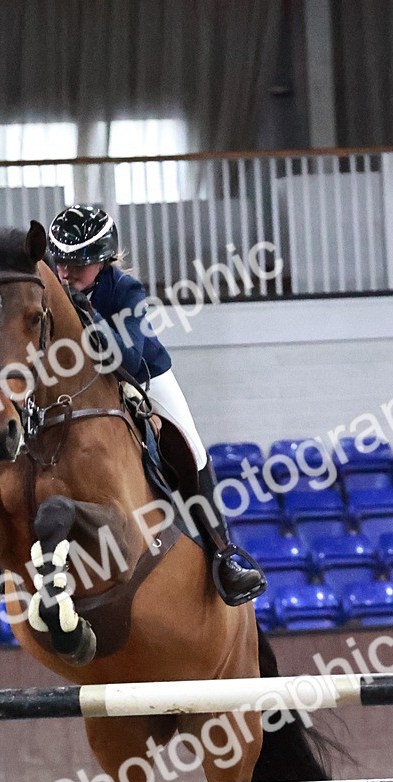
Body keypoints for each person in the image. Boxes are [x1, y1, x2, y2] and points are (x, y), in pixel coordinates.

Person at [47, 204, 265, 606]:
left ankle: (223, 554)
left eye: (78, 265)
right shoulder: (51, 285)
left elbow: (128, 359)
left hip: (142, 377)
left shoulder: (124, 290)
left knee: (192, 449)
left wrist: (89, 315)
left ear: (102, 261)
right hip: (77, 387)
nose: (66, 273)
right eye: (61, 262)